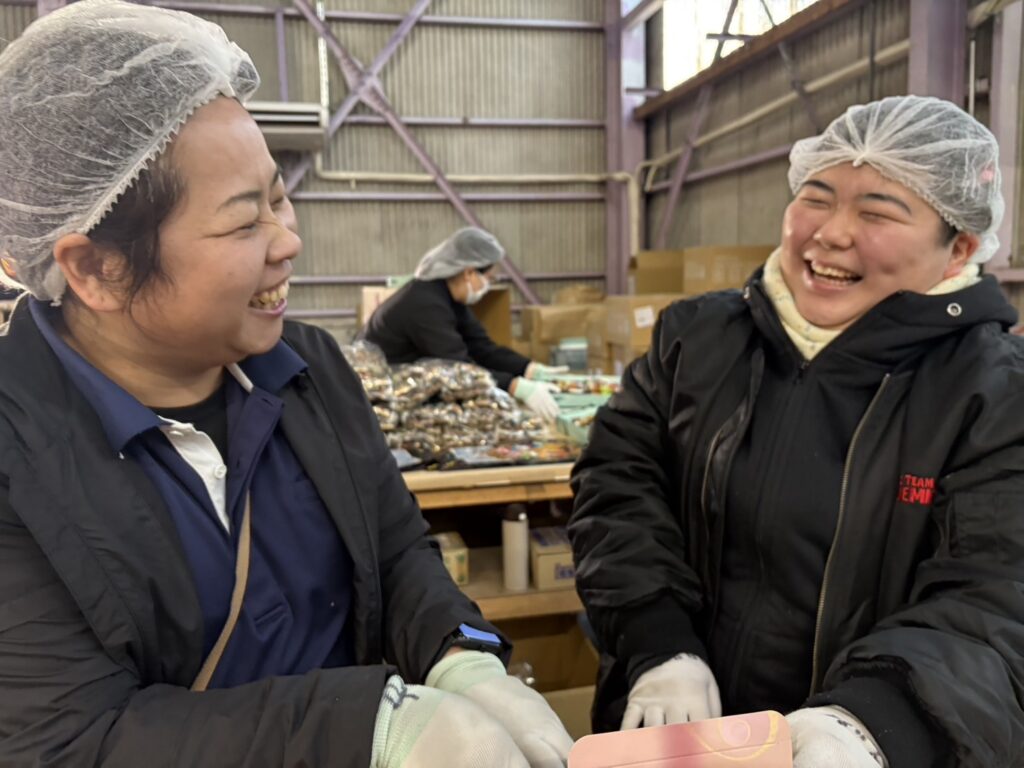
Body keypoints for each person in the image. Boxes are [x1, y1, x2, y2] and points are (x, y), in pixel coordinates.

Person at [0, 2, 573, 766]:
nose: (289, 238)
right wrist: (370, 728)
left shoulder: (308, 371)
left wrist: (458, 654)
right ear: (96, 267)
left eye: (278, 196)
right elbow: (74, 738)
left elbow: (395, 552)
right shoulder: (17, 456)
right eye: (245, 222)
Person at [569, 95, 1024, 768]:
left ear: (958, 247)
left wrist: (872, 723)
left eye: (876, 212)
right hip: (673, 738)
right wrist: (657, 639)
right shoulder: (696, 339)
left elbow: (998, 595)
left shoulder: (996, 396)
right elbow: (617, 486)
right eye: (816, 197)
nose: (831, 233)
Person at [359, 227, 565, 419]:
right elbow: (458, 368)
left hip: (409, 387)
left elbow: (482, 348)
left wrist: (528, 368)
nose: (488, 285)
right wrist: (515, 386)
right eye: (489, 278)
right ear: (469, 273)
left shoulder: (448, 297)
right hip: (383, 397)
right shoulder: (425, 304)